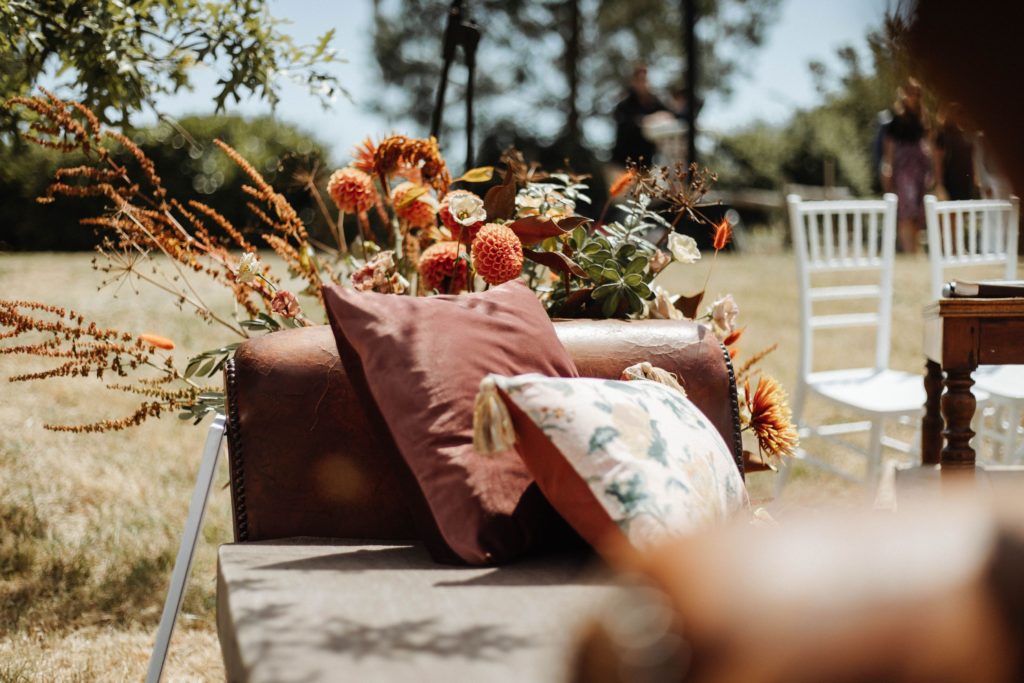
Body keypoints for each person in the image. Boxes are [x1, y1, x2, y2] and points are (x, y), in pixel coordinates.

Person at [881, 79, 932, 253]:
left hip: (920, 170)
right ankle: (908, 249)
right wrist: (888, 168)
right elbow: (890, 148)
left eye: (917, 94)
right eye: (910, 93)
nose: (913, 97)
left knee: (918, 212)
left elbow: (927, 144)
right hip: (904, 170)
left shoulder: (923, 119)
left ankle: (915, 248)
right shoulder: (896, 120)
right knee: (905, 210)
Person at [611, 64, 670, 167]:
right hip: (621, 164)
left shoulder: (655, 102)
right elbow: (628, 125)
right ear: (633, 82)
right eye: (639, 79)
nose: (643, 83)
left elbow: (673, 113)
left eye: (645, 79)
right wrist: (648, 120)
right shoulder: (624, 105)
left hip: (645, 164)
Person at [933, 102, 979, 200]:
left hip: (966, 180)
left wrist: (975, 177)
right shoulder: (942, 135)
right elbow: (938, 161)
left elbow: (972, 158)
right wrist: (939, 184)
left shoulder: (966, 134)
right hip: (950, 180)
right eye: (957, 112)